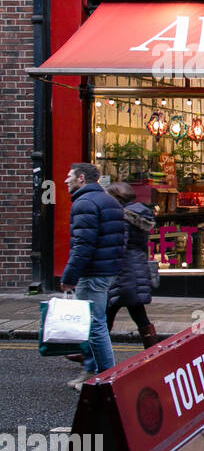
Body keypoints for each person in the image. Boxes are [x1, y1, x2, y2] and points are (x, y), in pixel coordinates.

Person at [60, 163, 124, 390]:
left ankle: (106, 377)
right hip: (106, 271)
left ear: (80, 178)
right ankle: (91, 371)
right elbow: (120, 239)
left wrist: (69, 276)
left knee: (95, 324)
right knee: (92, 323)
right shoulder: (110, 201)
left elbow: (83, 245)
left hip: (93, 272)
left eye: (68, 176)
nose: (65, 181)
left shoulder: (84, 203)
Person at [105, 182, 161, 347]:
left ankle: (91, 354)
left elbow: (118, 246)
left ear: (116, 198)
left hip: (123, 271)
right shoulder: (140, 216)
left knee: (106, 314)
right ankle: (152, 350)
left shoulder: (122, 218)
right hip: (136, 269)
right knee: (137, 313)